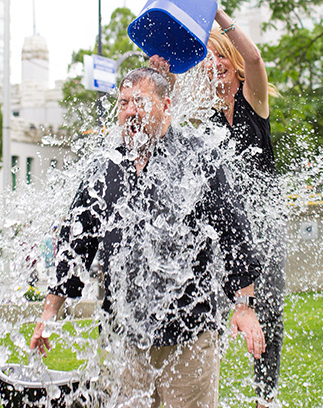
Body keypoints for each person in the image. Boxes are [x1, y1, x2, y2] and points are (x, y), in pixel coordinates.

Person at [30, 68, 265, 408]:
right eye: (123, 103)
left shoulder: (197, 157)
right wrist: (49, 312)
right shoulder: (105, 166)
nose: (129, 111)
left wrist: (244, 307)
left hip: (189, 333)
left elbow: (234, 232)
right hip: (124, 335)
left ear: (166, 105)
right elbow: (76, 243)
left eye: (140, 102)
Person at [150, 0, 285, 408]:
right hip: (228, 230)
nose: (215, 63)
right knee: (212, 303)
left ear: (232, 60)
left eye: (221, 56)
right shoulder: (207, 123)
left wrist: (218, 15)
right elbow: (170, 127)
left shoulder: (253, 103)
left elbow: (256, 58)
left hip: (263, 226)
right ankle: (206, 388)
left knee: (268, 309)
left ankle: (266, 398)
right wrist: (163, 77)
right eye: (209, 59)